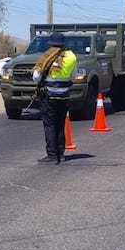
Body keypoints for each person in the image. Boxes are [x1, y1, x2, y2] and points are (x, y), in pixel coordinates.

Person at [33, 31, 78, 164]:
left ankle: (52, 155)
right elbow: (74, 75)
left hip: (49, 97)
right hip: (64, 97)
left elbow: (36, 77)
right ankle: (61, 154)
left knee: (50, 125)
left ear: (51, 44)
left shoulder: (46, 57)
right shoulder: (71, 56)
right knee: (60, 125)